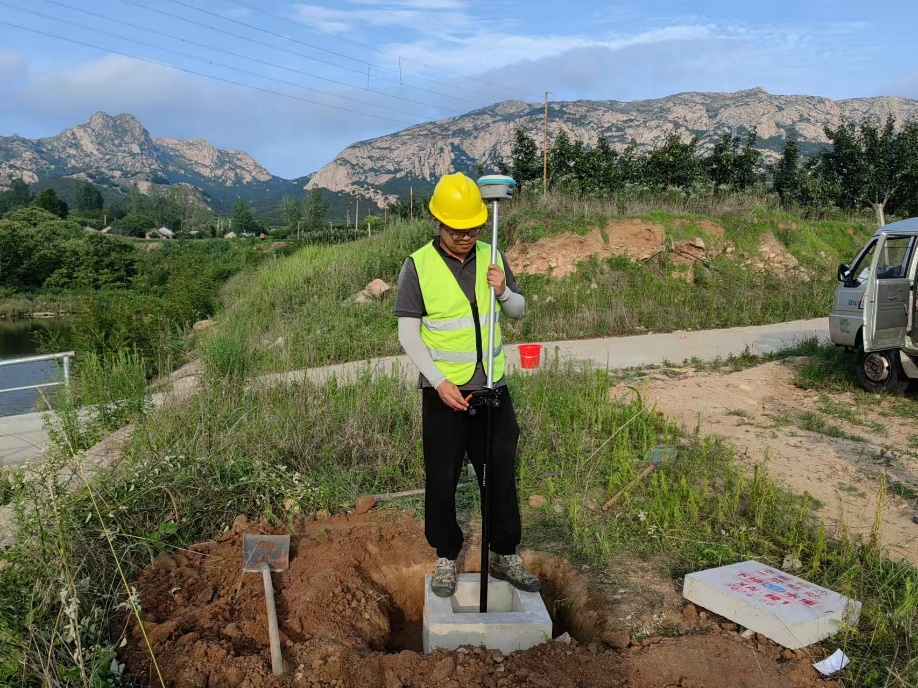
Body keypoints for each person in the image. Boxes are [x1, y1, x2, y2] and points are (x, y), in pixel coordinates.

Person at [394, 172, 540, 598]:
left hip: (493, 389)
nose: (466, 235)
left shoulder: (492, 253)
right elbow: (408, 334)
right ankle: (445, 555)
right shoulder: (417, 266)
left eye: (473, 226)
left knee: (499, 475)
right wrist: (438, 382)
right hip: (444, 395)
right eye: (458, 228)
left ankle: (504, 552)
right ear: (439, 222)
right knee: (441, 477)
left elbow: (518, 310)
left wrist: (502, 293)